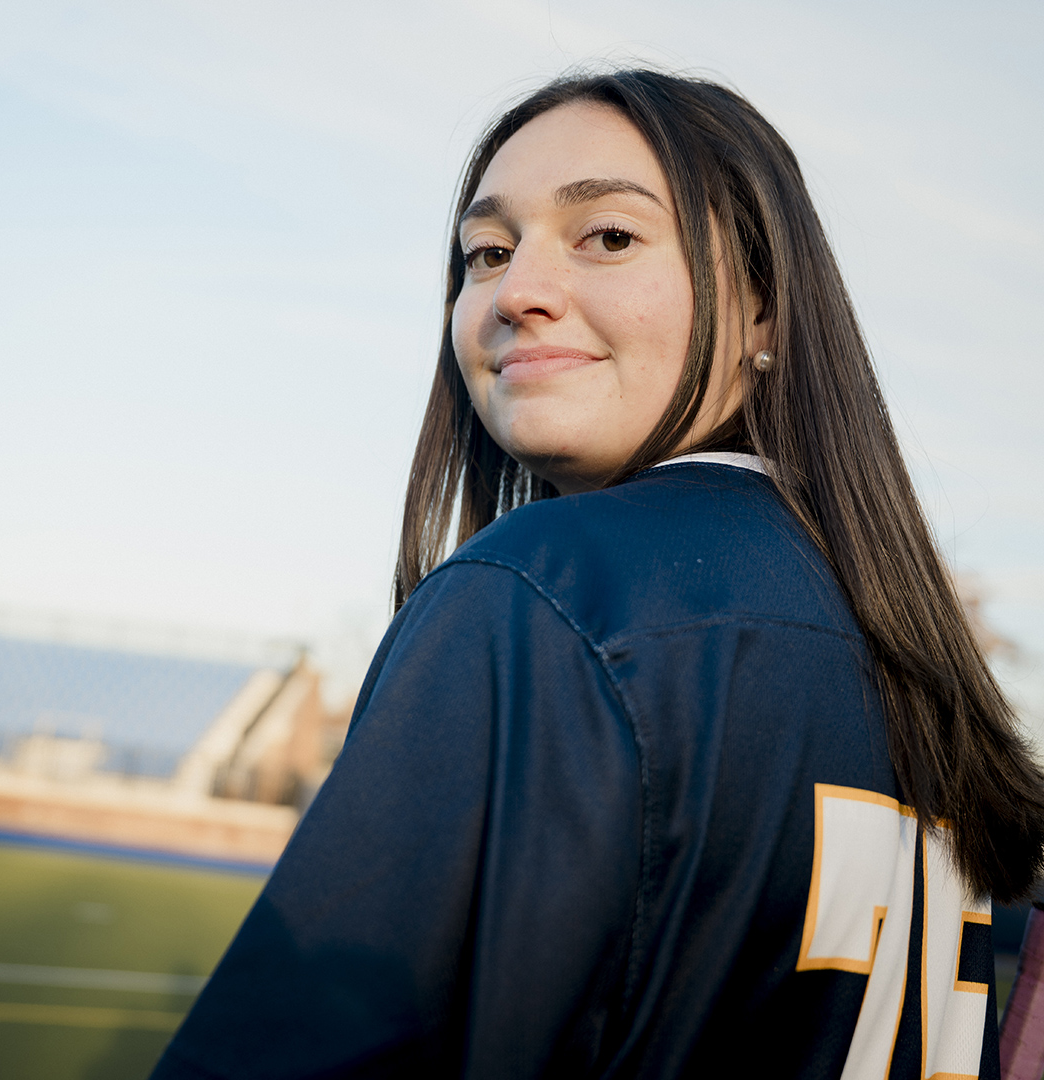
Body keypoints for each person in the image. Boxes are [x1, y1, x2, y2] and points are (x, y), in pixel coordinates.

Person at [151, 69, 1044, 1079]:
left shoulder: (544, 593)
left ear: (763, 310)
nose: (515, 291)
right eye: (487, 252)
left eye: (608, 237)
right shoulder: (927, 683)